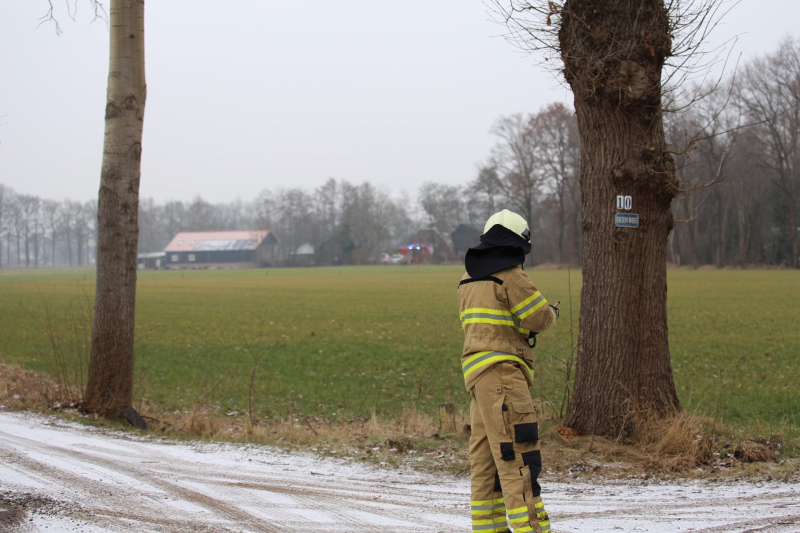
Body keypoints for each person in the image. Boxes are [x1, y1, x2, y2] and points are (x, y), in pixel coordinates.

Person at [458, 209, 558, 533]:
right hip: (504, 377)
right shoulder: (511, 275)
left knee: (486, 467)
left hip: (478, 379)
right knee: (520, 459)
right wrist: (551, 313)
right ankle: (534, 529)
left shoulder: (467, 279)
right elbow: (537, 317)